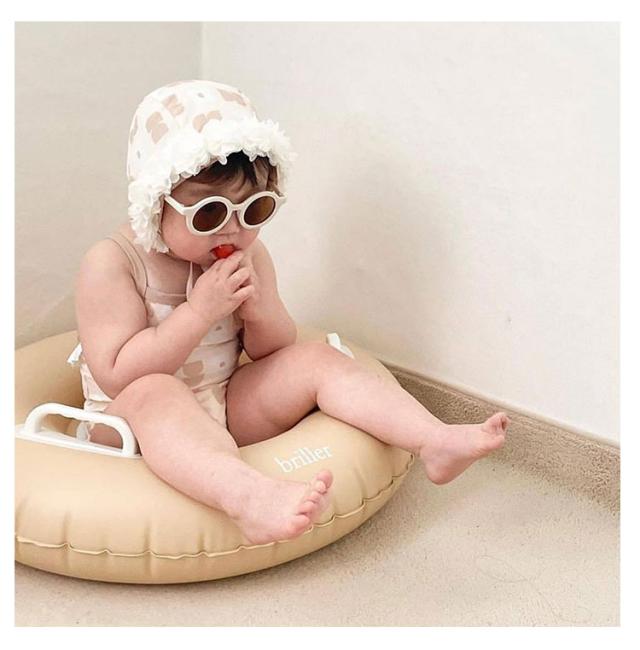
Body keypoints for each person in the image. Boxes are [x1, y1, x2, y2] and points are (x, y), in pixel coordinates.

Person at [68, 80, 509, 545]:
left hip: (222, 402)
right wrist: (198, 313)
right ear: (156, 202)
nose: (233, 230)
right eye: (209, 215)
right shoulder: (114, 263)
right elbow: (118, 375)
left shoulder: (248, 255)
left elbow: (273, 350)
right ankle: (248, 499)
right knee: (156, 392)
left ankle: (432, 439)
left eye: (254, 209)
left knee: (314, 358)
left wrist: (261, 310)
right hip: (131, 421)